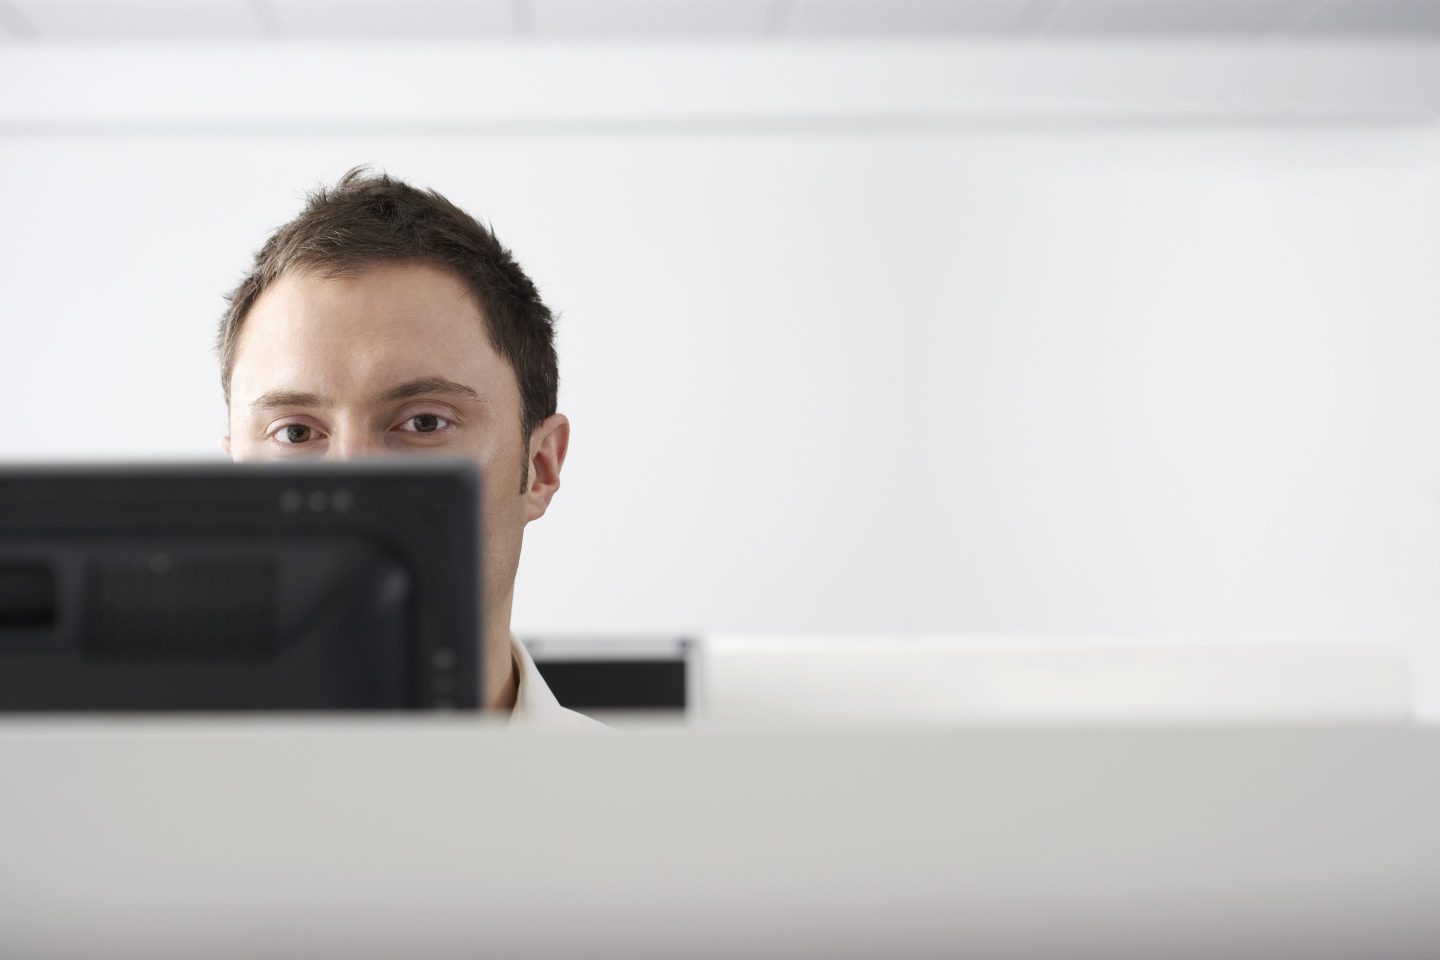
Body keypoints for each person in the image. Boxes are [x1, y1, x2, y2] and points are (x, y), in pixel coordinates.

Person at [216, 167, 598, 728]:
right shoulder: (114, 784)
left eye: (423, 423)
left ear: (539, 467)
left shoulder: (656, 790)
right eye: (295, 432)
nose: (352, 484)